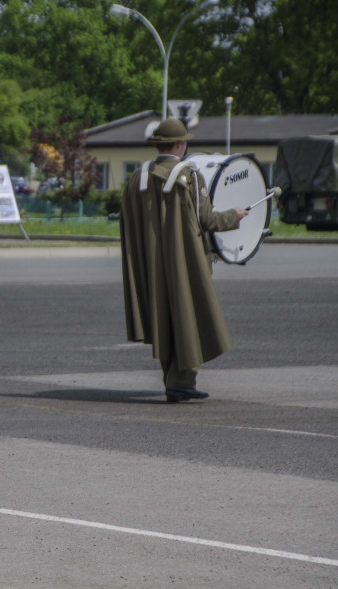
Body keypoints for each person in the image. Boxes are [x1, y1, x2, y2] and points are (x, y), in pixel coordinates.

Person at [119, 118, 249, 403]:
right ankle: (182, 381)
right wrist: (234, 216)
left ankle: (172, 379)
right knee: (188, 316)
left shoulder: (137, 177)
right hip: (184, 262)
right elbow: (207, 220)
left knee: (164, 317)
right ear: (179, 145)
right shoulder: (188, 175)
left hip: (150, 264)